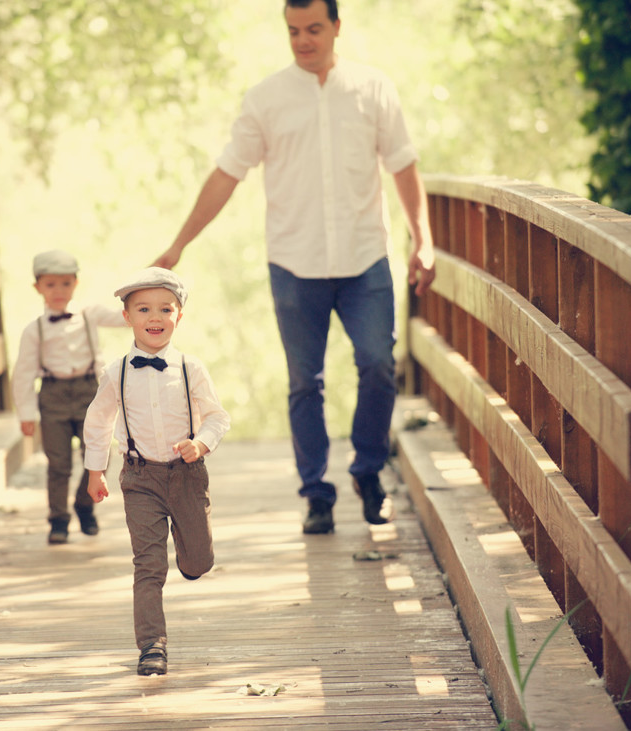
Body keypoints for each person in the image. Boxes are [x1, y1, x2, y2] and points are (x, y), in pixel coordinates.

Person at [153, 0, 435, 535]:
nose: (303, 40)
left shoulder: (373, 89)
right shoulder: (266, 99)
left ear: (336, 27)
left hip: (364, 259)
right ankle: (316, 494)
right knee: (305, 382)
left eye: (313, 29)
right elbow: (226, 175)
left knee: (378, 364)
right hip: (294, 263)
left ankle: (369, 472)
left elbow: (403, 164)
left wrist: (424, 241)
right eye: (293, 31)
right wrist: (178, 245)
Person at [84, 267, 231, 676]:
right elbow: (98, 423)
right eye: (143, 308)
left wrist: (200, 442)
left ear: (179, 316)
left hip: (186, 476)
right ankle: (152, 645)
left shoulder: (190, 368)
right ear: (127, 316)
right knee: (148, 564)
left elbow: (218, 418)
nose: (155, 317)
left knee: (199, 560)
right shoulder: (117, 372)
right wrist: (96, 471)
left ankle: (192, 558)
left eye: (165, 309)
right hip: (140, 479)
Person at [10, 249, 128, 545]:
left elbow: (124, 317)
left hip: (91, 392)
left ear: (76, 283)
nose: (58, 291)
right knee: (58, 463)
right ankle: (58, 520)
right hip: (53, 396)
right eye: (50, 285)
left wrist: (146, 296)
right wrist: (26, 414)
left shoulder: (89, 313)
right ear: (37, 287)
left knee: (98, 454)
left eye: (65, 283)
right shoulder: (34, 330)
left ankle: (84, 505)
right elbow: (23, 374)